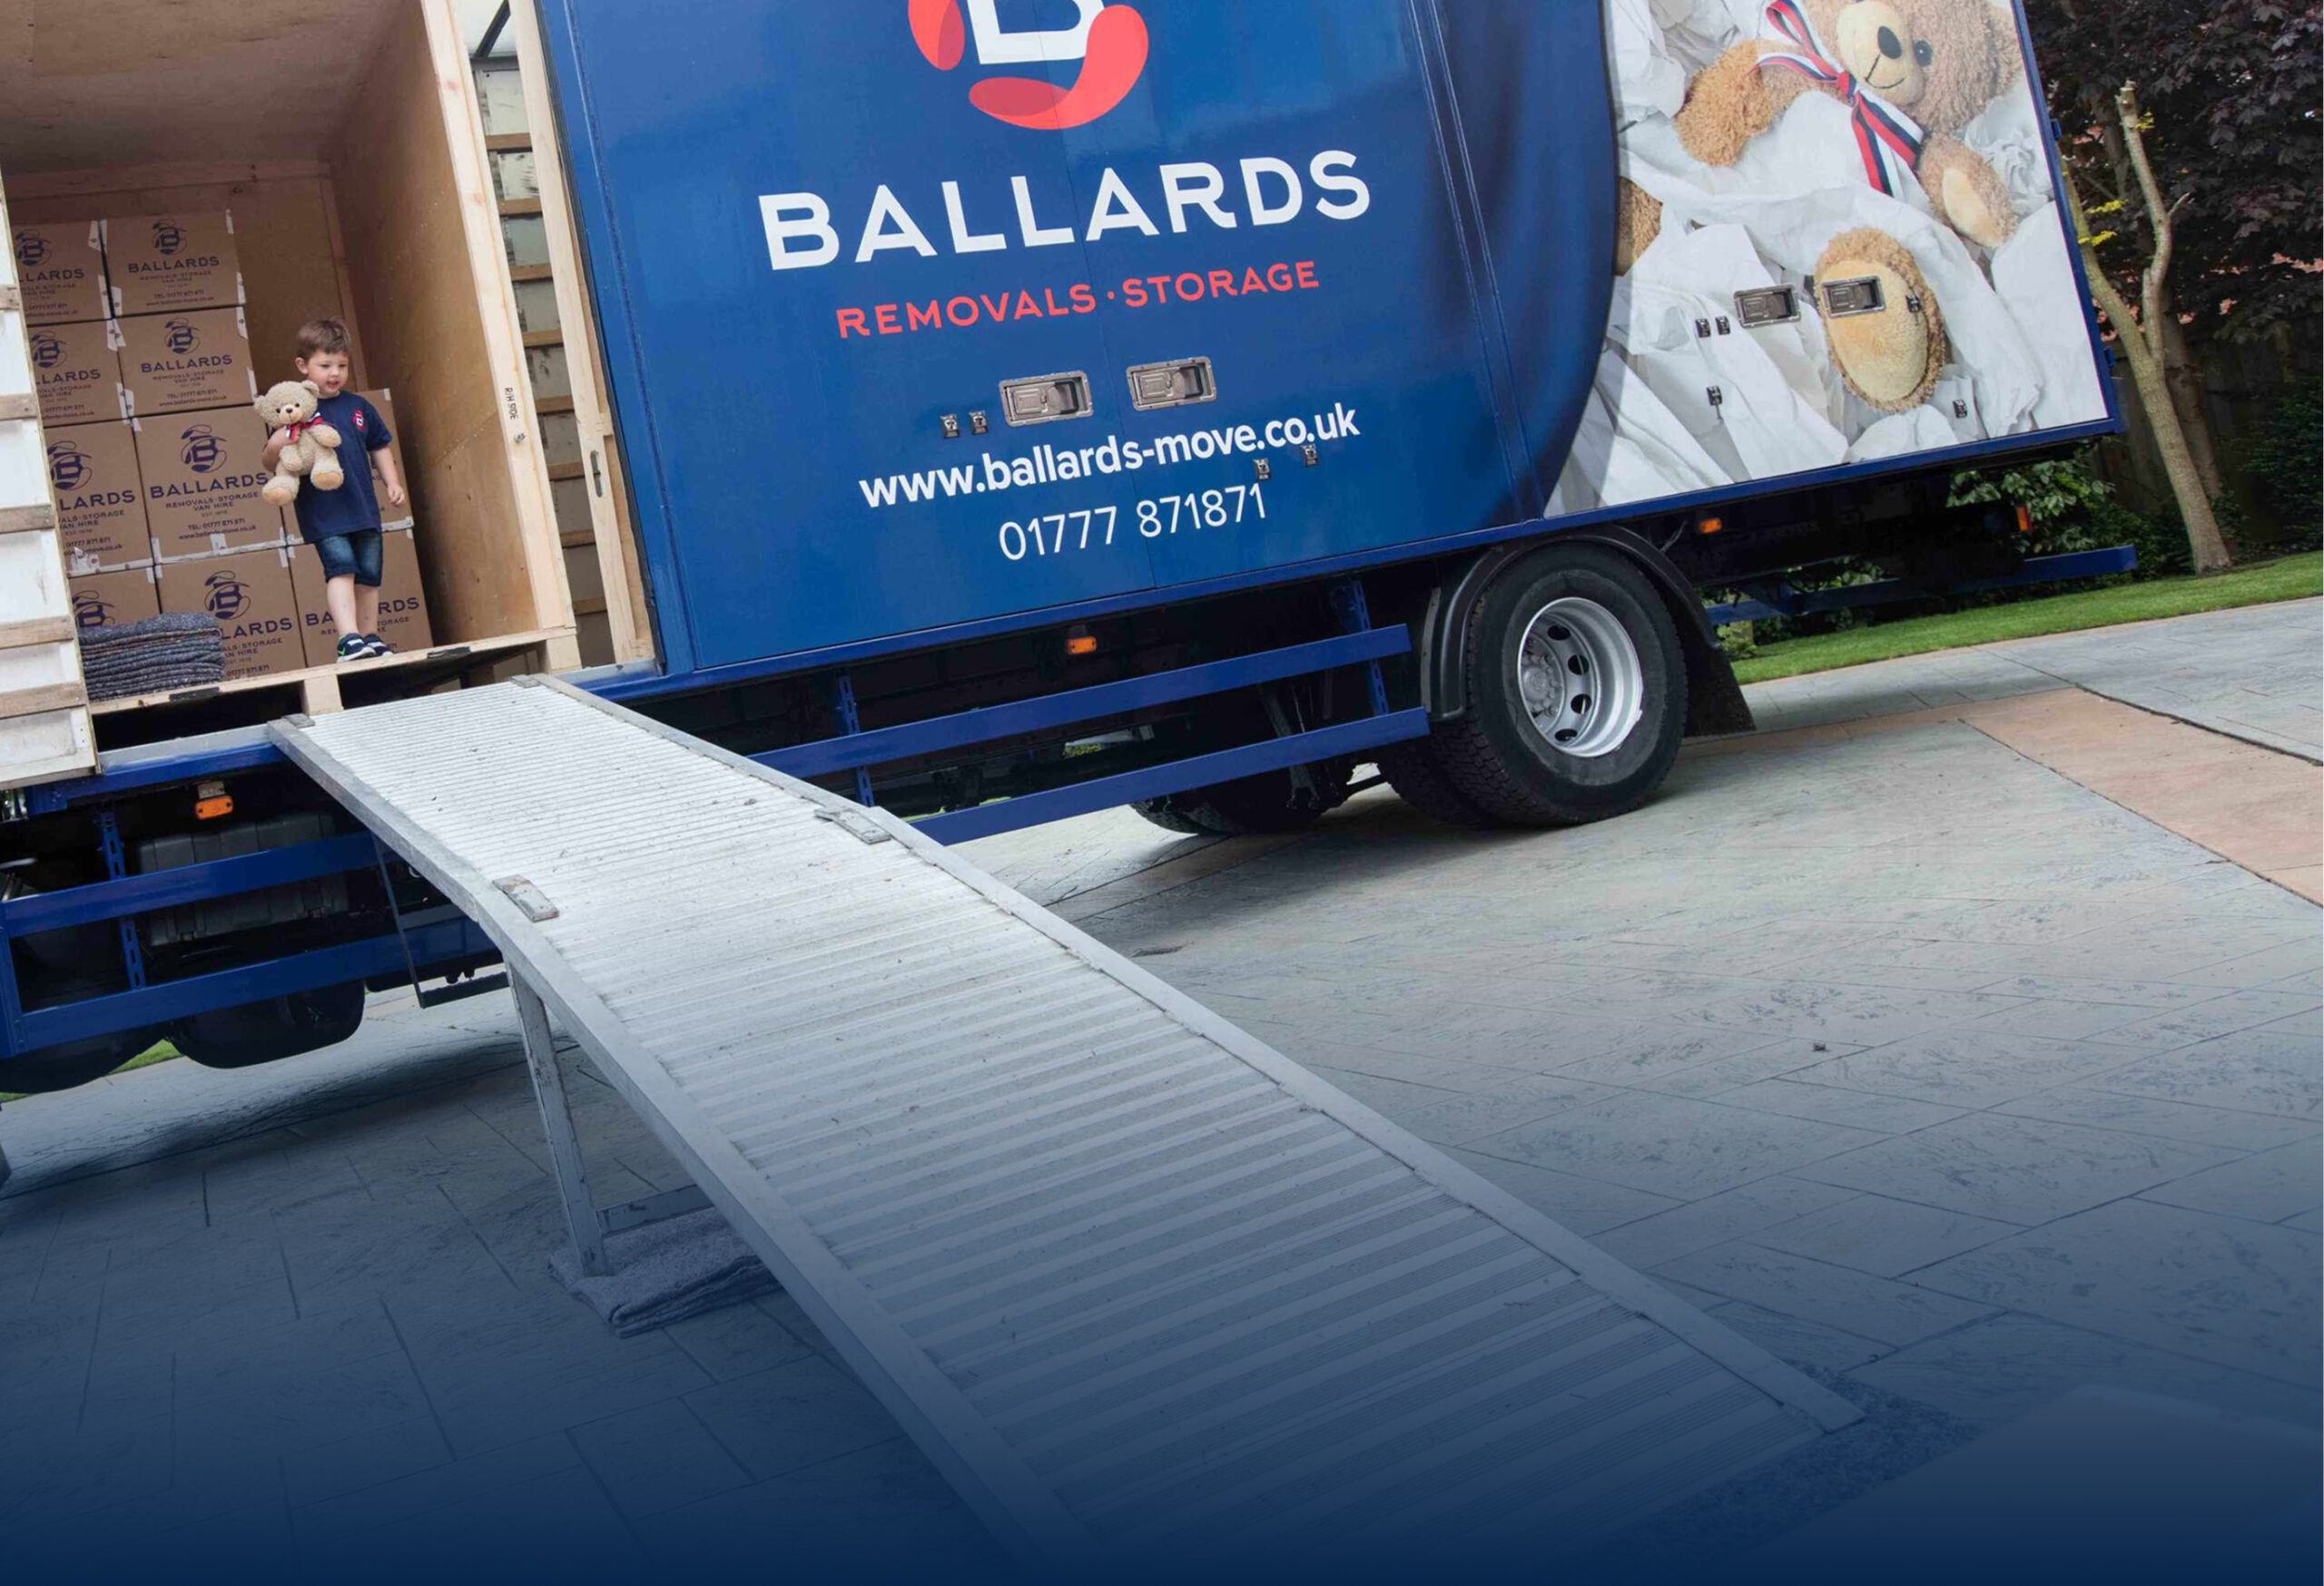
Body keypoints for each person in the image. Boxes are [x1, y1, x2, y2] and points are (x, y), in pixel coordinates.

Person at [263, 318, 406, 662]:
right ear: (303, 366)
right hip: (324, 512)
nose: (334, 373)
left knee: (370, 574)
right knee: (341, 567)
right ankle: (348, 639)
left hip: (363, 508)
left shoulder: (359, 407)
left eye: (341, 365)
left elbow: (380, 446)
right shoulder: (295, 413)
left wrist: (393, 482)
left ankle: (370, 636)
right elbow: (271, 461)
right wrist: (279, 440)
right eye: (325, 365)